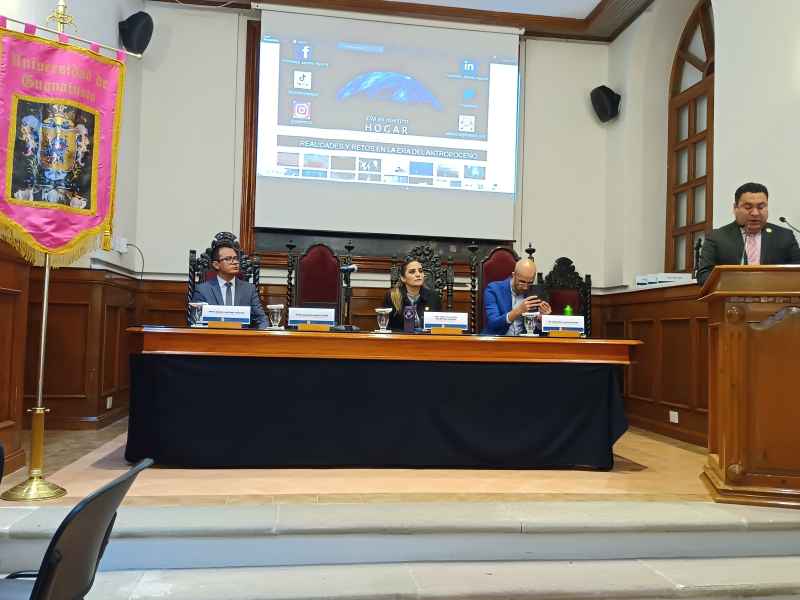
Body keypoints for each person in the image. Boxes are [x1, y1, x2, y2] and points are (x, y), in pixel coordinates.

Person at [696, 182, 800, 285]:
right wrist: (736, 283)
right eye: (748, 207)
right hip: (732, 294)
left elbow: (797, 271)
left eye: (761, 207)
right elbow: (704, 275)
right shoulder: (717, 237)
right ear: (735, 208)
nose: (755, 213)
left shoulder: (785, 236)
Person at [191, 242, 268, 329]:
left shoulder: (249, 289)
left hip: (242, 336)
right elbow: (195, 320)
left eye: (235, 258)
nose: (235, 262)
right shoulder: (202, 290)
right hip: (212, 335)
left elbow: (262, 319)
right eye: (228, 259)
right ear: (216, 265)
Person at [482, 258, 552, 336]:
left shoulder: (534, 292)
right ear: (513, 275)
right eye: (522, 282)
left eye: (530, 282)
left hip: (524, 342)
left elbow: (538, 332)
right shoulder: (493, 289)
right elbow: (493, 323)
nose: (525, 287)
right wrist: (518, 311)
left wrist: (542, 319)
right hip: (497, 340)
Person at [382, 259, 442, 330]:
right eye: (412, 272)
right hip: (400, 336)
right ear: (403, 278)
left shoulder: (434, 297)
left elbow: (438, 326)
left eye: (420, 271)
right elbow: (385, 327)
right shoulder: (392, 296)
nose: (418, 275)